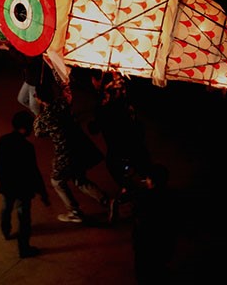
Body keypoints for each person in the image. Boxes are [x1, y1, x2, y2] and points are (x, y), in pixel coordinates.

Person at [33, 78, 110, 224]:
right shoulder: (62, 104)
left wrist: (38, 115)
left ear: (38, 98)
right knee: (78, 178)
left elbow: (39, 133)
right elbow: (68, 100)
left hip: (65, 153)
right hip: (79, 147)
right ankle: (106, 200)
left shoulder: (44, 118)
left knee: (57, 181)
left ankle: (74, 212)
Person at [87, 71, 153, 223]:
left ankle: (128, 195)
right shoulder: (124, 97)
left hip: (117, 147)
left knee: (116, 169)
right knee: (145, 170)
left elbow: (95, 128)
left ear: (98, 81)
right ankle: (151, 193)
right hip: (135, 141)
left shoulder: (103, 105)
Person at [0, 110, 51, 258]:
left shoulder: (3, 140)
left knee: (6, 208)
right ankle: (24, 248)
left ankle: (5, 231)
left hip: (8, 185)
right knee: (24, 217)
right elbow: (34, 172)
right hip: (23, 189)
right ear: (26, 127)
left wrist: (2, 182)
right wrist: (43, 193)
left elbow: (1, 165)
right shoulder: (27, 147)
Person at [131, 163, 177, 284]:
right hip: (164, 242)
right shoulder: (171, 196)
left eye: (147, 178)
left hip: (145, 242)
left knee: (144, 270)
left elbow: (135, 214)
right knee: (158, 265)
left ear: (151, 180)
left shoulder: (142, 197)